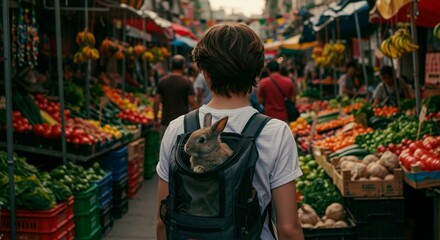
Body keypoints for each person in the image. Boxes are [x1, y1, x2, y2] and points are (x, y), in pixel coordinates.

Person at [156, 23, 304, 240]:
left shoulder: (178, 128)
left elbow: (162, 221)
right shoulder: (276, 132)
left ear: (204, 72)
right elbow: (288, 228)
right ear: (256, 72)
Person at [153, 55, 198, 136]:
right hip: (182, 124)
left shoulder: (162, 81)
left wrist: (155, 119)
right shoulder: (187, 82)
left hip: (166, 123)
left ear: (171, 66)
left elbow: (156, 102)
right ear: (183, 67)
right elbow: (192, 101)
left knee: (166, 148)